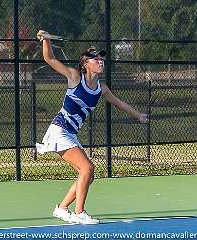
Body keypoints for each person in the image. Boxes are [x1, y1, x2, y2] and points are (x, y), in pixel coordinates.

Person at [35, 30, 148, 224]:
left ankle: (62, 208)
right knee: (87, 168)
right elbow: (49, 58)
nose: (100, 62)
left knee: (88, 174)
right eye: (96, 60)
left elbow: (120, 104)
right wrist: (45, 39)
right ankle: (79, 212)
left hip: (70, 133)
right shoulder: (74, 77)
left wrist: (138, 115)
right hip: (59, 130)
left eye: (101, 59)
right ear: (85, 64)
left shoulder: (101, 89)